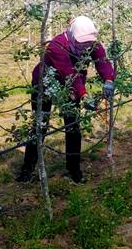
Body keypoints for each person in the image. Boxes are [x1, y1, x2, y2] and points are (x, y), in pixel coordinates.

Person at [17, 16, 115, 184]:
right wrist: (84, 95)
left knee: (73, 126)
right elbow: (69, 74)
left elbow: (102, 62)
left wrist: (108, 80)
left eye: (88, 43)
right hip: (45, 84)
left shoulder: (92, 44)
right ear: (71, 35)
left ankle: (74, 170)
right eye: (81, 42)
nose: (85, 46)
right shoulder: (57, 45)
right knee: (40, 124)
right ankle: (27, 169)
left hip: (72, 87)